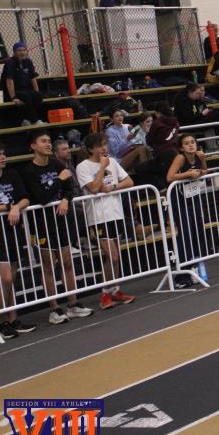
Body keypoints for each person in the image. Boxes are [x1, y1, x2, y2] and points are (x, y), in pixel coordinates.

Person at [75, 133, 137, 310]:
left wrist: (113, 187)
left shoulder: (113, 162)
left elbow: (129, 181)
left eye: (105, 144)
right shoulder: (83, 167)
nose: (104, 148)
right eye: (99, 146)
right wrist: (102, 167)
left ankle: (115, 290)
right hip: (98, 217)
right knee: (112, 256)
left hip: (116, 213)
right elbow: (94, 188)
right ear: (90, 149)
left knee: (116, 257)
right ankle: (104, 293)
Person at [0, 141, 34, 338]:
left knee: (11, 278)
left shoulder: (12, 175)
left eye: (3, 153)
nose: (3, 157)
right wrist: (8, 207)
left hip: (13, 231)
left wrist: (16, 208)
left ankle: (13, 319)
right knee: (4, 278)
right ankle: (3, 321)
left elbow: (25, 198)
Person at [166, 133, 209, 268]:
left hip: (194, 196)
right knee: (185, 231)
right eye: (186, 143)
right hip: (180, 199)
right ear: (181, 148)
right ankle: (184, 266)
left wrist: (201, 172)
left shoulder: (200, 155)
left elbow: (205, 170)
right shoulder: (180, 158)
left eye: (192, 142)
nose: (190, 145)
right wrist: (188, 174)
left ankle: (197, 262)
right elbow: (169, 177)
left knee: (198, 228)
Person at [2, 42, 44, 125]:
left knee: (38, 96)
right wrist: (13, 97)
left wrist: (36, 91)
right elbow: (9, 81)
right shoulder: (10, 63)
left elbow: (33, 78)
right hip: (13, 91)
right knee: (26, 97)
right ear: (14, 52)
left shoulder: (28, 61)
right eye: (19, 50)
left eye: (24, 50)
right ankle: (35, 120)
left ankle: (27, 119)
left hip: (26, 89)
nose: (22, 52)